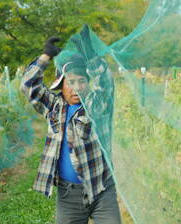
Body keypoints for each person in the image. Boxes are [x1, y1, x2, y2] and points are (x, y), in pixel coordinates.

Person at [20, 30, 121, 224]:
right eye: (71, 82)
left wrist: (92, 57)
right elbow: (27, 86)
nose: (77, 88)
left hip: (101, 190)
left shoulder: (95, 106)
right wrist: (46, 56)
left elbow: (105, 82)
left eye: (82, 81)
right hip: (69, 196)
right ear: (61, 84)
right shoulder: (54, 106)